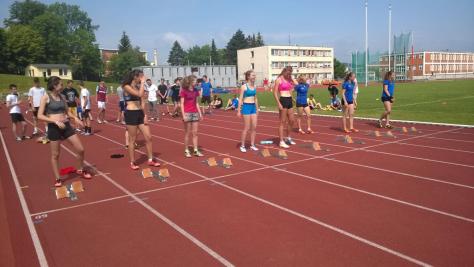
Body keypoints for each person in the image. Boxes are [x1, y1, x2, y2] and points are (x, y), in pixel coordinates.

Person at [37, 76, 91, 187]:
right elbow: (40, 116)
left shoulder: (62, 96)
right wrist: (54, 121)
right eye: (60, 84)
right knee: (55, 155)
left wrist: (75, 118)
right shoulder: (46, 97)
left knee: (80, 149)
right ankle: (58, 178)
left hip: (66, 125)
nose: (62, 86)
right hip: (54, 127)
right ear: (54, 85)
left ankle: (80, 169)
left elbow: (67, 112)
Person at [122, 70, 161, 170]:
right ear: (135, 77)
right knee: (132, 139)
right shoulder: (126, 86)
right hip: (131, 113)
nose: (143, 78)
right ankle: (132, 161)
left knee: (148, 137)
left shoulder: (139, 86)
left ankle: (150, 159)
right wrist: (143, 83)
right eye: (141, 76)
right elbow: (139, 95)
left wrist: (144, 115)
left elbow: (142, 99)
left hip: (140, 113)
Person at [273, 66, 297, 148]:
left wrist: (292, 78)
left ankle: (288, 137)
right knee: (282, 121)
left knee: (292, 120)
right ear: (284, 71)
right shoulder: (279, 80)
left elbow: (297, 85)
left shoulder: (289, 79)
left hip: (289, 99)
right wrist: (278, 103)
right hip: (283, 100)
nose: (289, 75)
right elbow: (275, 92)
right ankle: (281, 141)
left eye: (290, 73)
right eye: (288, 73)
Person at [180, 75, 204, 158]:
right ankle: (186, 150)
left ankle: (195, 150)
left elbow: (197, 103)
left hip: (195, 113)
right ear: (190, 82)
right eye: (195, 81)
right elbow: (182, 104)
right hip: (187, 113)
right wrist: (183, 115)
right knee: (187, 133)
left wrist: (200, 113)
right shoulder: (184, 91)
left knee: (195, 133)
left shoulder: (196, 90)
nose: (196, 82)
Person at [237, 70, 259, 152]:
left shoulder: (255, 86)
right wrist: (239, 110)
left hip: (253, 107)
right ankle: (242, 145)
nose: (254, 77)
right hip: (246, 107)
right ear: (249, 77)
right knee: (247, 127)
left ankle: (252, 145)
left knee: (254, 127)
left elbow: (256, 98)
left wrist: (257, 108)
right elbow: (240, 99)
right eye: (253, 75)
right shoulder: (244, 87)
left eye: (255, 75)